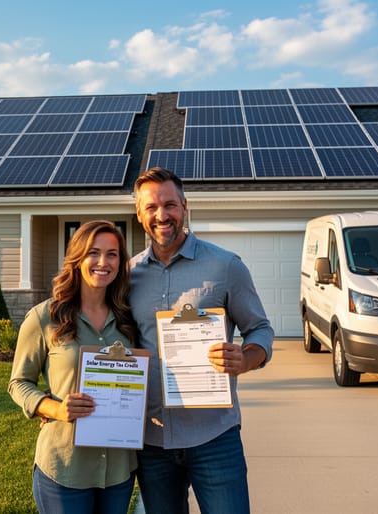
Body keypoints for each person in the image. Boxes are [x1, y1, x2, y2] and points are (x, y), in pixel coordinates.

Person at [129, 167, 274, 513]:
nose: (161, 215)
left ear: (184, 206)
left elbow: (261, 329)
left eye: (170, 205)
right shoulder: (127, 275)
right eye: (151, 207)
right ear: (139, 215)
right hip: (152, 442)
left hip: (215, 437)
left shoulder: (225, 266)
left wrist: (246, 358)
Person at [8, 220, 139, 514]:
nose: (103, 262)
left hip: (118, 469)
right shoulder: (44, 316)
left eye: (112, 254)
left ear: (121, 261)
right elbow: (18, 383)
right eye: (93, 252)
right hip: (65, 466)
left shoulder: (128, 320)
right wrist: (55, 409)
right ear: (77, 258)